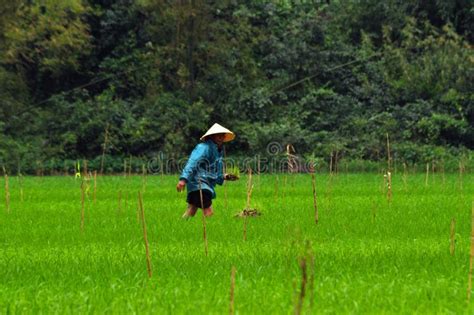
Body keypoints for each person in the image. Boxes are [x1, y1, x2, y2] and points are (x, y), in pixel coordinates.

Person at [176, 123, 237, 218]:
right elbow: (193, 162)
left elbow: (213, 172)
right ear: (212, 136)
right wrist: (183, 179)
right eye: (218, 135)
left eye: (222, 135)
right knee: (208, 211)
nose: (221, 137)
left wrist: (225, 176)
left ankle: (179, 226)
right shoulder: (204, 148)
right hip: (199, 183)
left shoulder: (217, 151)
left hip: (204, 184)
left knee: (191, 210)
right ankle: (211, 230)